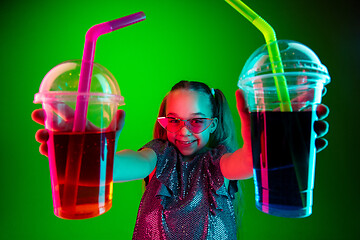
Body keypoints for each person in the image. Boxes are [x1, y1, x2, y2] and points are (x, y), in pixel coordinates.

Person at [32, 80, 329, 239]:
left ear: (213, 123)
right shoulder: (160, 154)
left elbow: (248, 163)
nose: (183, 131)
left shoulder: (217, 163)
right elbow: (124, 165)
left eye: (197, 121)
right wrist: (95, 154)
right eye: (173, 120)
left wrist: (265, 141)